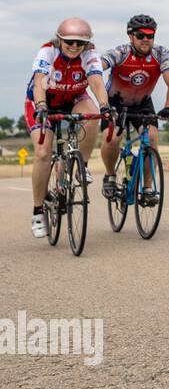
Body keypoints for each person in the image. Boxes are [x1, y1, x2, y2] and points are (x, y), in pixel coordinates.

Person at [25, 18, 110, 237]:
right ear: (60, 40)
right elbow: (39, 82)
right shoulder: (48, 52)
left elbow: (96, 82)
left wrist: (105, 106)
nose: (74, 47)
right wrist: (42, 106)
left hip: (74, 97)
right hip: (44, 101)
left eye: (79, 43)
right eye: (69, 42)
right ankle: (37, 211)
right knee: (43, 153)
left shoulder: (90, 55)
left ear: (86, 44)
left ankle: (82, 165)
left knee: (92, 116)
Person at [98, 14, 169, 200]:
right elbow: (99, 65)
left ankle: (149, 188)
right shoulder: (120, 52)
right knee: (112, 139)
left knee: (151, 138)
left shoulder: (161, 54)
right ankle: (110, 176)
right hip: (115, 104)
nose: (146, 39)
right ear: (130, 36)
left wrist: (168, 107)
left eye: (150, 35)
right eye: (140, 35)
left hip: (142, 103)